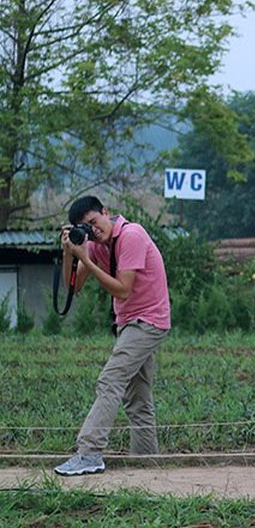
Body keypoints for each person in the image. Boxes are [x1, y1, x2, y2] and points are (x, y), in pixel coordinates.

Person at [53, 196, 171, 476]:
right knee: (137, 397)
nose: (93, 231)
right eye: (85, 228)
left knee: (111, 379)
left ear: (106, 212)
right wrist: (70, 252)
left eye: (94, 222)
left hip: (149, 320)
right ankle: (146, 463)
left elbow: (122, 290)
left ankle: (89, 451)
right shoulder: (94, 245)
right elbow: (75, 287)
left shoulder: (131, 235)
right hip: (128, 322)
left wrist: (86, 259)